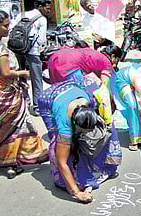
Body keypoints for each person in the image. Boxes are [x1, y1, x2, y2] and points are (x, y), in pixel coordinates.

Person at [0, 10, 48, 179]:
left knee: (6, 126)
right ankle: (11, 160)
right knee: (15, 126)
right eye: (5, 25)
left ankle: (9, 159)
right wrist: (24, 73)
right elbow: (6, 73)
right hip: (7, 91)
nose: (8, 29)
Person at [37, 75, 122, 203]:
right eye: (83, 131)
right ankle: (62, 180)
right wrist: (77, 193)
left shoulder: (90, 102)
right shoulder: (64, 125)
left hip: (71, 90)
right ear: (75, 124)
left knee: (93, 137)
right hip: (48, 101)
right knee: (60, 143)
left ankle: (90, 169)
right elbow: (62, 162)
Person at [11, 0, 51, 117]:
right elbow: (42, 39)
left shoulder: (21, 14)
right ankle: (37, 106)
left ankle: (24, 101)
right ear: (40, 7)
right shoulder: (42, 19)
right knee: (36, 78)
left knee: (21, 75)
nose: (48, 11)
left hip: (18, 49)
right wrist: (41, 50)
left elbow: (12, 29)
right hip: (32, 52)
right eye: (47, 8)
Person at [47, 44, 122, 88]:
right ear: (112, 56)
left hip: (54, 58)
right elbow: (105, 88)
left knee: (58, 90)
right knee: (76, 95)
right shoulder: (106, 62)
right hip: (70, 64)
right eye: (117, 61)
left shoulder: (94, 53)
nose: (115, 65)